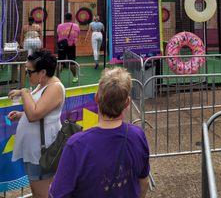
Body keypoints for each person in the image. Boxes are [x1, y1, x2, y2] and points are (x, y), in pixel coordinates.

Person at [49, 67, 150, 198]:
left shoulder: (76, 145)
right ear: (127, 103)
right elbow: (144, 182)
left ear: (96, 98)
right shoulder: (138, 136)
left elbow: (57, 194)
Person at [8, 50, 65, 198]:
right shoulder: (43, 83)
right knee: (36, 190)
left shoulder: (54, 88)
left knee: (42, 193)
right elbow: (42, 112)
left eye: (29, 71)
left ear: (43, 72)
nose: (27, 74)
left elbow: (34, 114)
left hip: (42, 152)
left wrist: (24, 92)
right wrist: (21, 115)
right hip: (35, 150)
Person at [57, 13, 80, 83]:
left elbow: (58, 34)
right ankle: (75, 77)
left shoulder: (60, 26)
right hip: (71, 45)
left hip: (62, 46)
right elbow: (77, 34)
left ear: (65, 18)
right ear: (71, 18)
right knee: (72, 62)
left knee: (60, 62)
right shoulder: (76, 26)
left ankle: (57, 79)